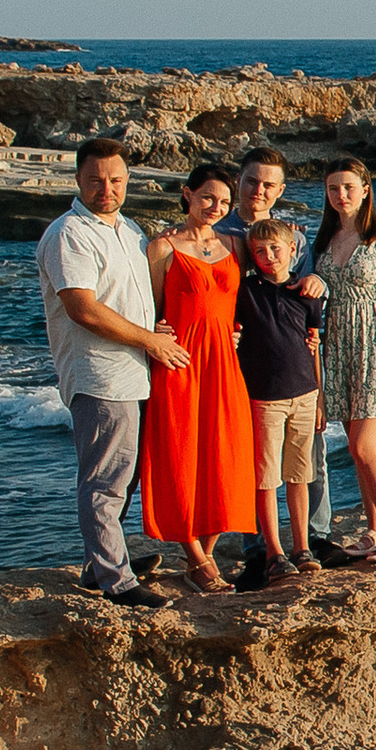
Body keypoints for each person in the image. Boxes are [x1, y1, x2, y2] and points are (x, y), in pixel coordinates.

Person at [36, 136, 189, 608]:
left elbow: (128, 299)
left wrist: (155, 328)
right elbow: (83, 308)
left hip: (135, 370)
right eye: (96, 181)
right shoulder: (69, 234)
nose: (107, 189)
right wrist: (151, 341)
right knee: (106, 479)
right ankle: (116, 582)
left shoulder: (128, 229)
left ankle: (99, 563)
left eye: (116, 180)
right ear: (78, 180)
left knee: (127, 474)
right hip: (100, 374)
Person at [219, 147, 340, 566]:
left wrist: (320, 283)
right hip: (251, 369)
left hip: (297, 370)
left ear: (280, 189)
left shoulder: (296, 237)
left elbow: (302, 291)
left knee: (308, 459)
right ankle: (259, 548)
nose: (259, 190)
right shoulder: (220, 233)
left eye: (268, 184)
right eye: (252, 180)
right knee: (258, 464)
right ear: (238, 180)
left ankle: (314, 538)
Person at [140, 162, 257, 593]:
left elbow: (269, 274)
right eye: (208, 197)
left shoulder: (235, 244)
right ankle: (197, 560)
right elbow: (149, 310)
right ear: (187, 194)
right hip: (181, 362)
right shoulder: (162, 248)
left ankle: (203, 556)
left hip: (225, 363)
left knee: (226, 456)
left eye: (224, 201)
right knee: (179, 456)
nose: (216, 207)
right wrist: (155, 331)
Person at [313, 157, 376, 564]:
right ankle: (372, 530)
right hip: (338, 349)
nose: (341, 195)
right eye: (333, 188)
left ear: (365, 190)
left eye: (348, 187)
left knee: (363, 445)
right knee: (356, 452)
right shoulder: (324, 241)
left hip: (375, 348)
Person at [234, 218, 325, 589]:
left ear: (292, 250)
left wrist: (320, 398)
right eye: (260, 251)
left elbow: (314, 345)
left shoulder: (306, 293)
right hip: (263, 398)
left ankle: (302, 547)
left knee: (299, 474)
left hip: (304, 394)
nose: (269, 256)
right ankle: (274, 552)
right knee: (266, 477)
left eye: (276, 248)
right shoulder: (245, 292)